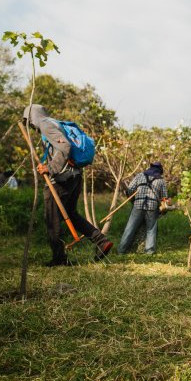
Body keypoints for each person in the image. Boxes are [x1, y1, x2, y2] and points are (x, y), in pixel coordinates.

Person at [22, 104, 113, 266]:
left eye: (29, 122)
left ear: (32, 118)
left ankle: (59, 258)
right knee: (70, 213)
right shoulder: (55, 122)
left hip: (63, 178)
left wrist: (49, 168)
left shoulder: (45, 124)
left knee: (52, 217)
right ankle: (101, 241)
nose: (31, 127)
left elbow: (65, 146)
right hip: (75, 175)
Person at [118, 162, 168, 255]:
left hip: (138, 205)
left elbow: (130, 189)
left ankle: (121, 251)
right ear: (160, 170)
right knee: (151, 230)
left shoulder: (140, 175)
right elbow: (164, 198)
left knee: (130, 228)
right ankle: (149, 252)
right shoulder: (161, 180)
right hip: (152, 207)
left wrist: (133, 200)